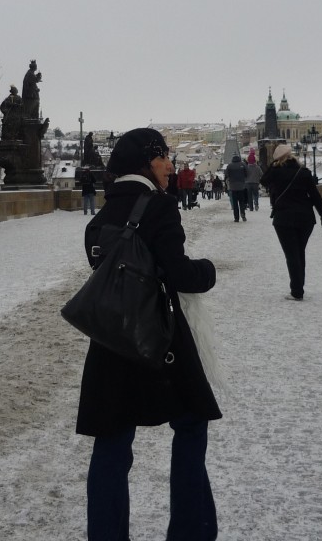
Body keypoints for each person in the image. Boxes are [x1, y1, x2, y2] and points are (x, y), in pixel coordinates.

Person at [77, 128, 220, 541]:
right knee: (192, 423)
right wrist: (207, 271)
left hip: (110, 343)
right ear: (146, 162)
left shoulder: (99, 219)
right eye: (164, 158)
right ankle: (191, 531)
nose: (171, 166)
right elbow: (178, 274)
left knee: (111, 443)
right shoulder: (159, 208)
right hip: (160, 339)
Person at [259, 143, 322, 300]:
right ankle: (299, 287)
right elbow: (315, 196)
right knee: (299, 253)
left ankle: (297, 291)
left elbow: (263, 181)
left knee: (292, 255)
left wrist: (274, 163)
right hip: (305, 219)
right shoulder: (303, 172)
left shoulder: (276, 172)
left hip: (284, 219)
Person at [223, 154, 248, 222]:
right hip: (241, 186)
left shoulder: (229, 165)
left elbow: (226, 174)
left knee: (235, 203)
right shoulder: (243, 164)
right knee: (241, 202)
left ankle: (236, 217)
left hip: (233, 186)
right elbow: (247, 173)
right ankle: (243, 213)